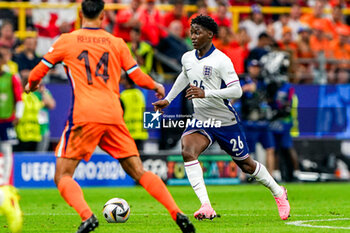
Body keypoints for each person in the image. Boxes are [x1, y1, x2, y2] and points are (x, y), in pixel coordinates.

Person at [25, 1, 195, 233]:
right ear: (103, 16)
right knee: (139, 171)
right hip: (114, 114)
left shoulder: (67, 40)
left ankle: (87, 216)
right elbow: (136, 76)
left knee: (63, 174)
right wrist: (156, 85)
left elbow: (37, 73)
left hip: (84, 114)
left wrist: (31, 86)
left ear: (81, 14)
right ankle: (177, 212)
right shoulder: (117, 43)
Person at [153, 15, 290, 221]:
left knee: (246, 164)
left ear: (210, 34)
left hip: (224, 119)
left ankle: (278, 192)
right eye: (191, 32)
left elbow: (237, 91)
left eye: (197, 32)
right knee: (188, 151)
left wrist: (206, 93)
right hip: (201, 118)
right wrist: (168, 99)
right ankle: (206, 206)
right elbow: (184, 75)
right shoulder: (188, 58)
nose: (193, 36)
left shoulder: (222, 60)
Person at [0, 48, 23, 233]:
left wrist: (19, 115)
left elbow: (19, 97)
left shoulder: (11, 77)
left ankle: (6, 184)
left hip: (7, 119)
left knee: (7, 151)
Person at [120, 73, 148, 151]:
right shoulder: (140, 94)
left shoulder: (123, 96)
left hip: (128, 134)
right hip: (141, 133)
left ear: (127, 81)